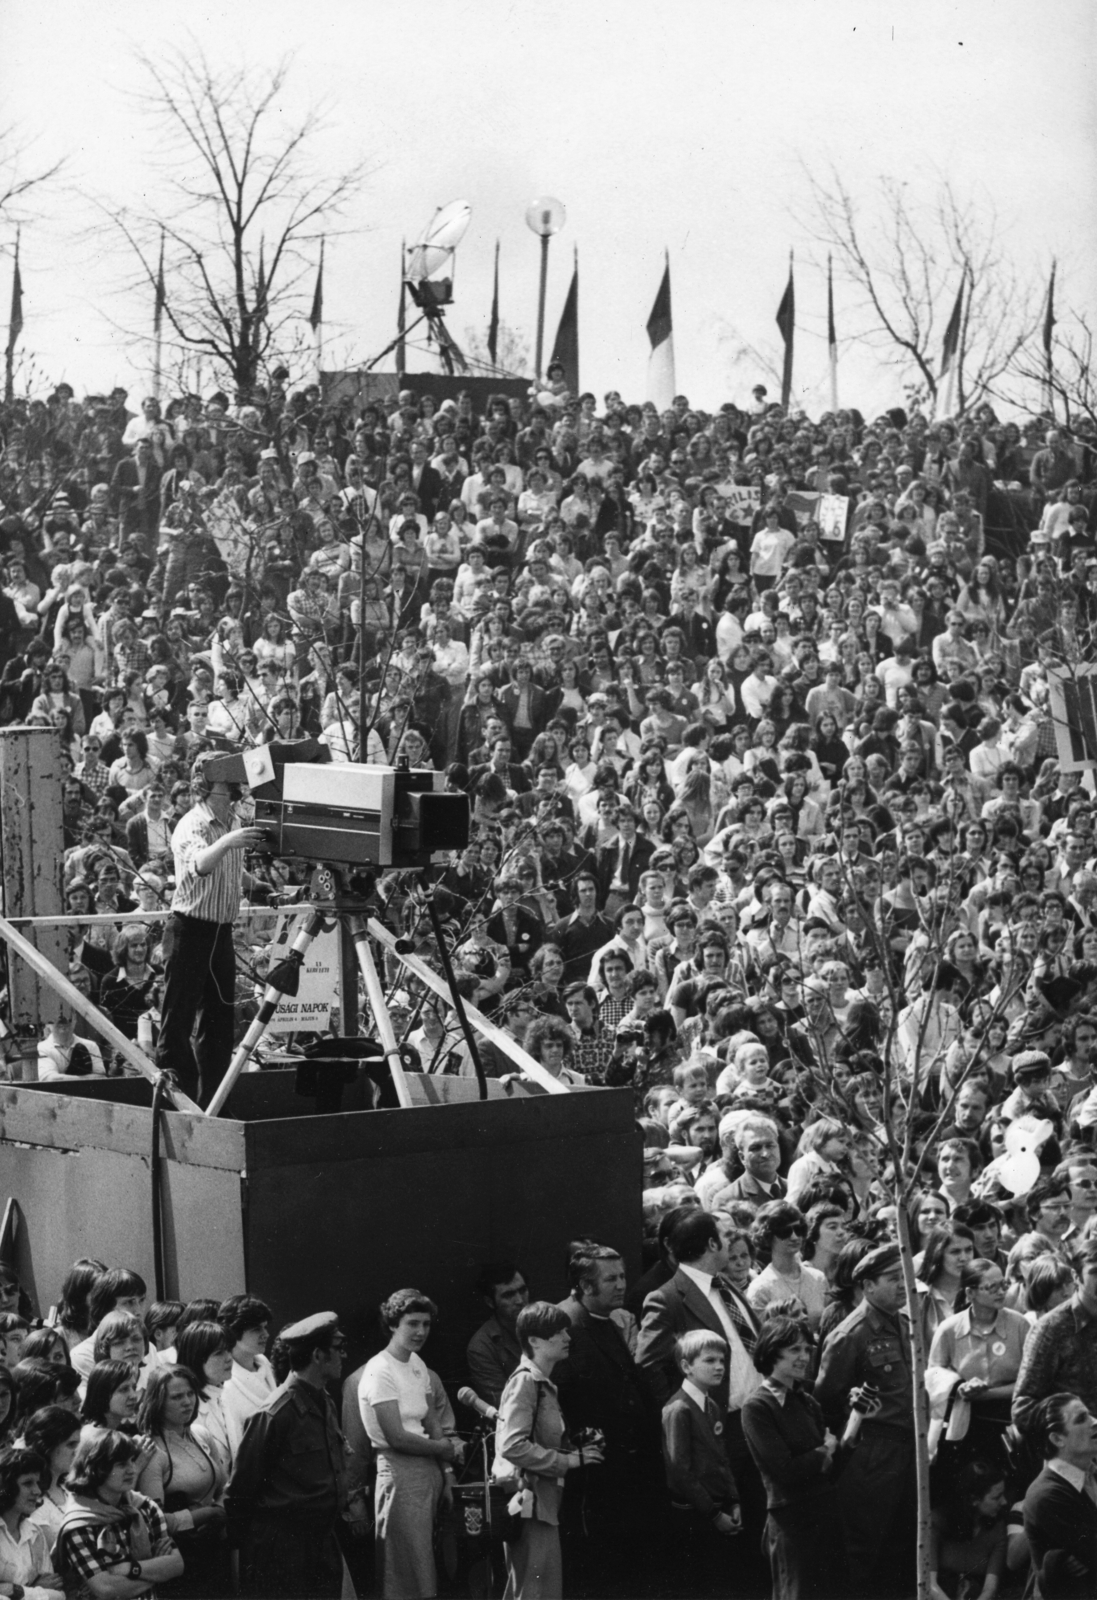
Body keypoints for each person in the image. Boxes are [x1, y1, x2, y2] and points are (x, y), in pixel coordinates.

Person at [155, 751, 267, 1105]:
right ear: (206, 784)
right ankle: (178, 1098)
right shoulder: (193, 823)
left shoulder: (231, 821)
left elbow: (228, 869)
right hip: (189, 930)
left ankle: (214, 1103)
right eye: (227, 780)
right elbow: (201, 864)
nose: (235, 787)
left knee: (218, 1022)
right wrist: (229, 842)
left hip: (220, 933)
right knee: (179, 1016)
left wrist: (257, 885)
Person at [744, 1315, 881, 1600]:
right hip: (792, 1526)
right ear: (771, 1351)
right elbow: (785, 1471)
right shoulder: (757, 1407)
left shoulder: (807, 1401)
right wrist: (825, 1449)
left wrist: (857, 1421)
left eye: (807, 1349)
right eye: (794, 1350)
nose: (804, 1357)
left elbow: (833, 1470)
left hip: (826, 1518)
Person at [814, 1243, 918, 1600]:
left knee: (904, 1545)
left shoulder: (905, 1323)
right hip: (872, 1453)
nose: (903, 1285)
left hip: (908, 1450)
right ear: (867, 1286)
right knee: (866, 1549)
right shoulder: (850, 1334)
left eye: (905, 1277)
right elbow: (825, 1403)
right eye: (893, 1279)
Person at [226, 1311, 351, 1600]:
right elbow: (241, 1491)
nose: (344, 1355)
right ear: (318, 1355)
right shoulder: (276, 1413)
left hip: (322, 1542)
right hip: (282, 1549)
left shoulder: (324, 1402)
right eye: (339, 1349)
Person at [493, 1301, 603, 1600]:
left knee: (540, 1590)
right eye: (558, 1332)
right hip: (529, 1503)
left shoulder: (542, 1384)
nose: (568, 1338)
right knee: (533, 1592)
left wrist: (576, 1444)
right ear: (534, 1341)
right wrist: (567, 1460)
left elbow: (538, 1439)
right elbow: (511, 1446)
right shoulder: (527, 1382)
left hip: (543, 1503)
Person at [358, 1288, 456, 1600]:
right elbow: (396, 1436)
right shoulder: (379, 1370)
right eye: (412, 1323)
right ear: (392, 1324)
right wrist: (442, 1450)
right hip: (400, 1475)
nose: (420, 1331)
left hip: (429, 1473)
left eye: (426, 1324)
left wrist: (448, 1473)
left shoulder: (418, 1365)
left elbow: (432, 1423)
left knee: (426, 1567)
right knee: (404, 1571)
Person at [55, 1429, 183, 1599]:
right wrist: (158, 1571)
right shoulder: (79, 1523)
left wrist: (130, 1569)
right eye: (122, 1464)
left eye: (132, 1460)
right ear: (97, 1468)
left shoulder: (145, 1507)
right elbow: (105, 1588)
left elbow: (176, 1565)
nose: (132, 1469)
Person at [661, 1330, 741, 1597]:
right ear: (686, 1367)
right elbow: (679, 1472)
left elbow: (721, 1457)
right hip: (694, 1514)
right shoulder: (679, 1410)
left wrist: (733, 1500)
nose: (719, 1366)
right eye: (709, 1360)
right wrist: (714, 1514)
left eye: (722, 1360)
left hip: (717, 1508)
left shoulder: (712, 1406)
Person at [136, 1365, 228, 1597]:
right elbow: (155, 1520)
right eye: (177, 1397)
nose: (187, 1402)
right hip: (183, 1556)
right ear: (158, 1402)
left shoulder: (201, 1434)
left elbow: (224, 1487)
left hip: (215, 1545)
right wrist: (206, 1514)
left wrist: (218, 1509)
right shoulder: (153, 1451)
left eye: (190, 1394)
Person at [1012, 1235, 1097, 1434]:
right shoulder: (1050, 1329)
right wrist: (1073, 1421)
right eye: (1095, 1272)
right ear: (1076, 1277)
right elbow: (1024, 1409)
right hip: (1078, 1447)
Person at [1022, 1392, 1097, 1599]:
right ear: (1057, 1438)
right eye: (1082, 1419)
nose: (1095, 1422)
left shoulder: (1091, 1473)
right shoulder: (1046, 1495)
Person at [0, 1444, 61, 1597]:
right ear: (5, 1485)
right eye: (28, 1483)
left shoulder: (35, 1533)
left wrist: (15, 1590)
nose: (37, 1491)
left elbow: (57, 1595)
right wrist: (34, 1588)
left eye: (37, 1483)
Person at [466, 1263, 529, 1409]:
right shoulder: (482, 1346)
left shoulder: (546, 1325)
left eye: (523, 1290)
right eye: (508, 1295)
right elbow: (505, 1404)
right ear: (490, 1302)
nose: (520, 1300)